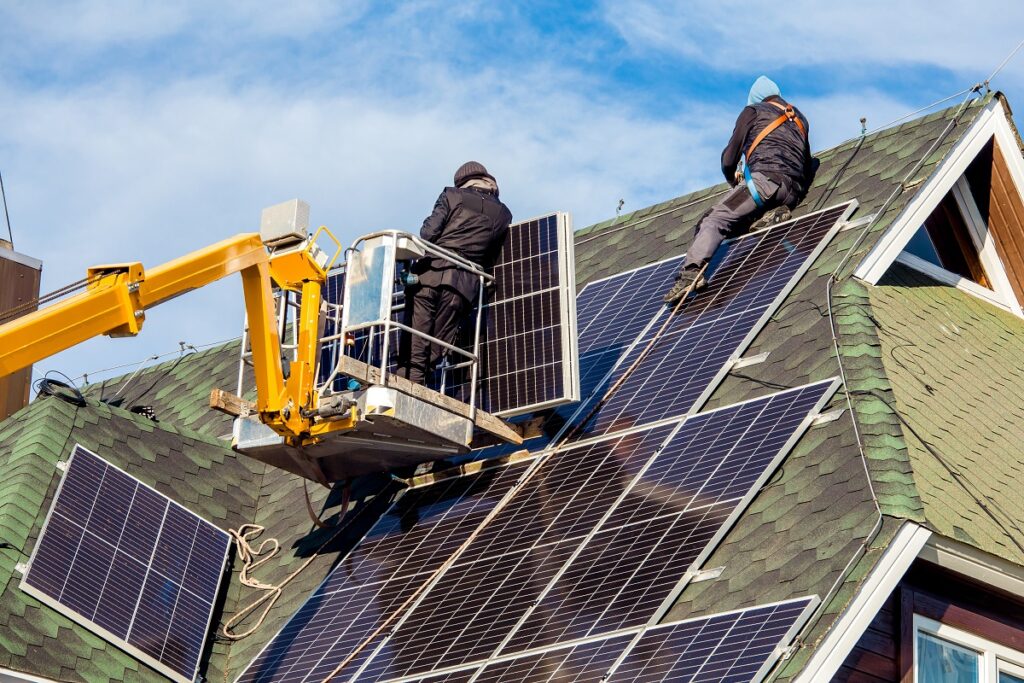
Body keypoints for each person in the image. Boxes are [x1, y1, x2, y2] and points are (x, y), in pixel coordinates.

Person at [663, 76, 816, 305]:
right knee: (742, 222)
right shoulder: (800, 119)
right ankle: (776, 212)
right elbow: (804, 160)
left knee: (715, 219)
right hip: (792, 191)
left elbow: (729, 158)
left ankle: (690, 274)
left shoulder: (753, 111)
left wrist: (734, 180)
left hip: (763, 184)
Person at [398, 161, 512, 386]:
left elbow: (427, 233)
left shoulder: (452, 195)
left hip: (428, 275)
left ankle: (406, 385)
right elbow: (491, 255)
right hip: (462, 286)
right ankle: (419, 385)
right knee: (438, 340)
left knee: (416, 334)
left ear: (462, 182)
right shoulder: (503, 213)